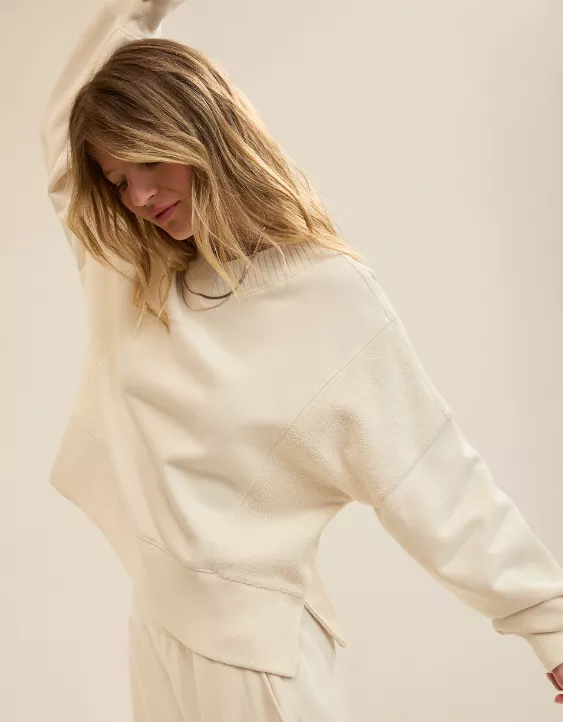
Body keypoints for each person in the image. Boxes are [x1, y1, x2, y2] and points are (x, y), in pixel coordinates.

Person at [39, 1, 563, 719]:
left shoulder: (323, 292)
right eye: (118, 179)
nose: (140, 196)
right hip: (157, 631)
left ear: (204, 133)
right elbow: (66, 120)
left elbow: (431, 474)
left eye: (152, 162)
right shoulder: (130, 273)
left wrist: (549, 622)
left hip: (255, 663)